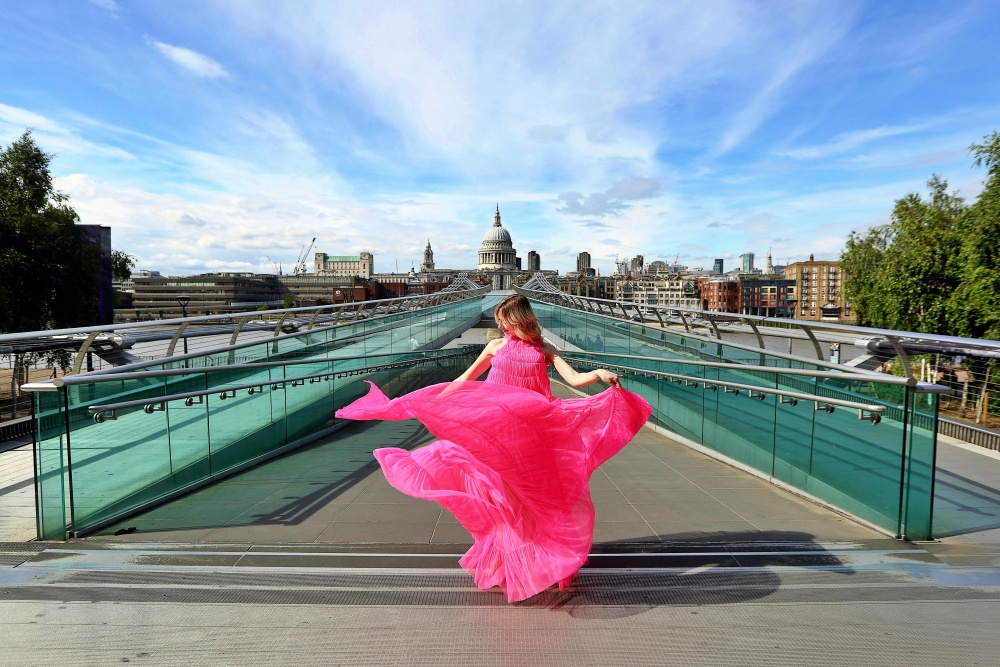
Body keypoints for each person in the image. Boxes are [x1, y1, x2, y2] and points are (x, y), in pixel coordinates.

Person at [335, 294, 652, 602]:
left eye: (505, 322)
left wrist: (599, 374)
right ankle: (507, 563)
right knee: (499, 497)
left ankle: (540, 561)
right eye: (499, 322)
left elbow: (574, 379)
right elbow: (465, 380)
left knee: (531, 498)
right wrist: (430, 401)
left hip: (530, 431)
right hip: (495, 430)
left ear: (519, 320)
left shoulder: (544, 348)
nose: (501, 327)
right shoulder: (495, 346)